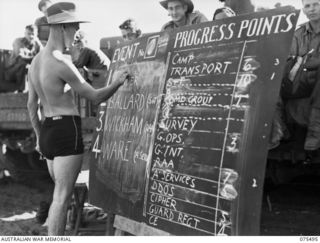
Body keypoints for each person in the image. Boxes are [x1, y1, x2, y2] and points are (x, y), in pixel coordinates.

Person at [27, 2, 129, 235]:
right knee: (61, 199)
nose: (76, 34)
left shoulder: (35, 62)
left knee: (58, 196)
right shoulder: (62, 62)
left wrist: (38, 136)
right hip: (66, 131)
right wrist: (118, 81)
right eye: (74, 27)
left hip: (47, 132)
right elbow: (94, 96)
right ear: (63, 27)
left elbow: (31, 105)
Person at [281, 0, 320, 151]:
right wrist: (309, 62)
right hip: (299, 80)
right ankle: (278, 131)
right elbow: (290, 60)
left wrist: (303, 61)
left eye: (315, 4)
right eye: (307, 6)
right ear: (303, 9)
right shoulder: (297, 33)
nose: (312, 9)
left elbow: (300, 61)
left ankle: (315, 131)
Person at [6, 24, 42, 92]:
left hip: (29, 70)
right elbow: (21, 57)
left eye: (33, 34)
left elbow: (42, 57)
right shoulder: (18, 41)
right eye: (28, 33)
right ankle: (22, 90)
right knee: (25, 66)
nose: (31, 36)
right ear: (25, 33)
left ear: (36, 34)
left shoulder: (37, 44)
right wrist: (36, 58)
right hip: (12, 71)